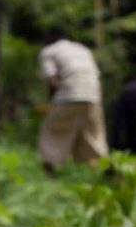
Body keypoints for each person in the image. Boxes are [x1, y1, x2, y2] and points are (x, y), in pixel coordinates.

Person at [37, 28, 108, 172]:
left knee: (51, 134)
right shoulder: (82, 49)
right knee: (92, 137)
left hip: (68, 96)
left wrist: (52, 101)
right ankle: (106, 169)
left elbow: (52, 80)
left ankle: (48, 173)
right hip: (93, 97)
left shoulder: (48, 51)